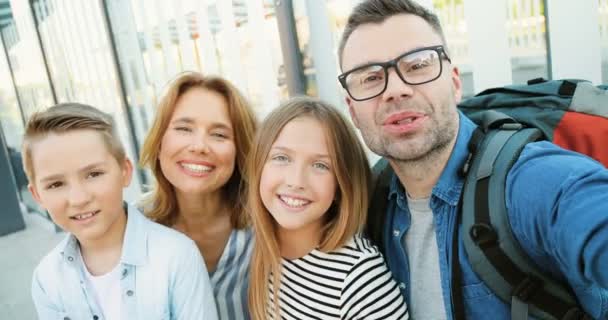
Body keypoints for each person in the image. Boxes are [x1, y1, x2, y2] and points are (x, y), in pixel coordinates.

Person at [337, 0, 608, 319]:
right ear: (353, 110)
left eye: (417, 64)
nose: (395, 90)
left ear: (454, 83)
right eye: (369, 77)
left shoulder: (527, 183)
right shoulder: (372, 202)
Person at [24, 103, 218, 320]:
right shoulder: (46, 278)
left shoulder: (177, 256)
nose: (79, 199)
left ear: (125, 172)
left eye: (94, 174)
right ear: (37, 196)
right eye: (56, 184)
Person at [247, 96, 409, 320]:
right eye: (282, 158)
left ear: (342, 184)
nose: (296, 181)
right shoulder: (262, 249)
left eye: (320, 165)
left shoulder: (359, 276)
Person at [139, 72, 257, 320]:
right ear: (160, 142)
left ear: (240, 151)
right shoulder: (131, 229)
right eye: (184, 129)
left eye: (219, 134)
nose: (199, 146)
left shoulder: (267, 222)